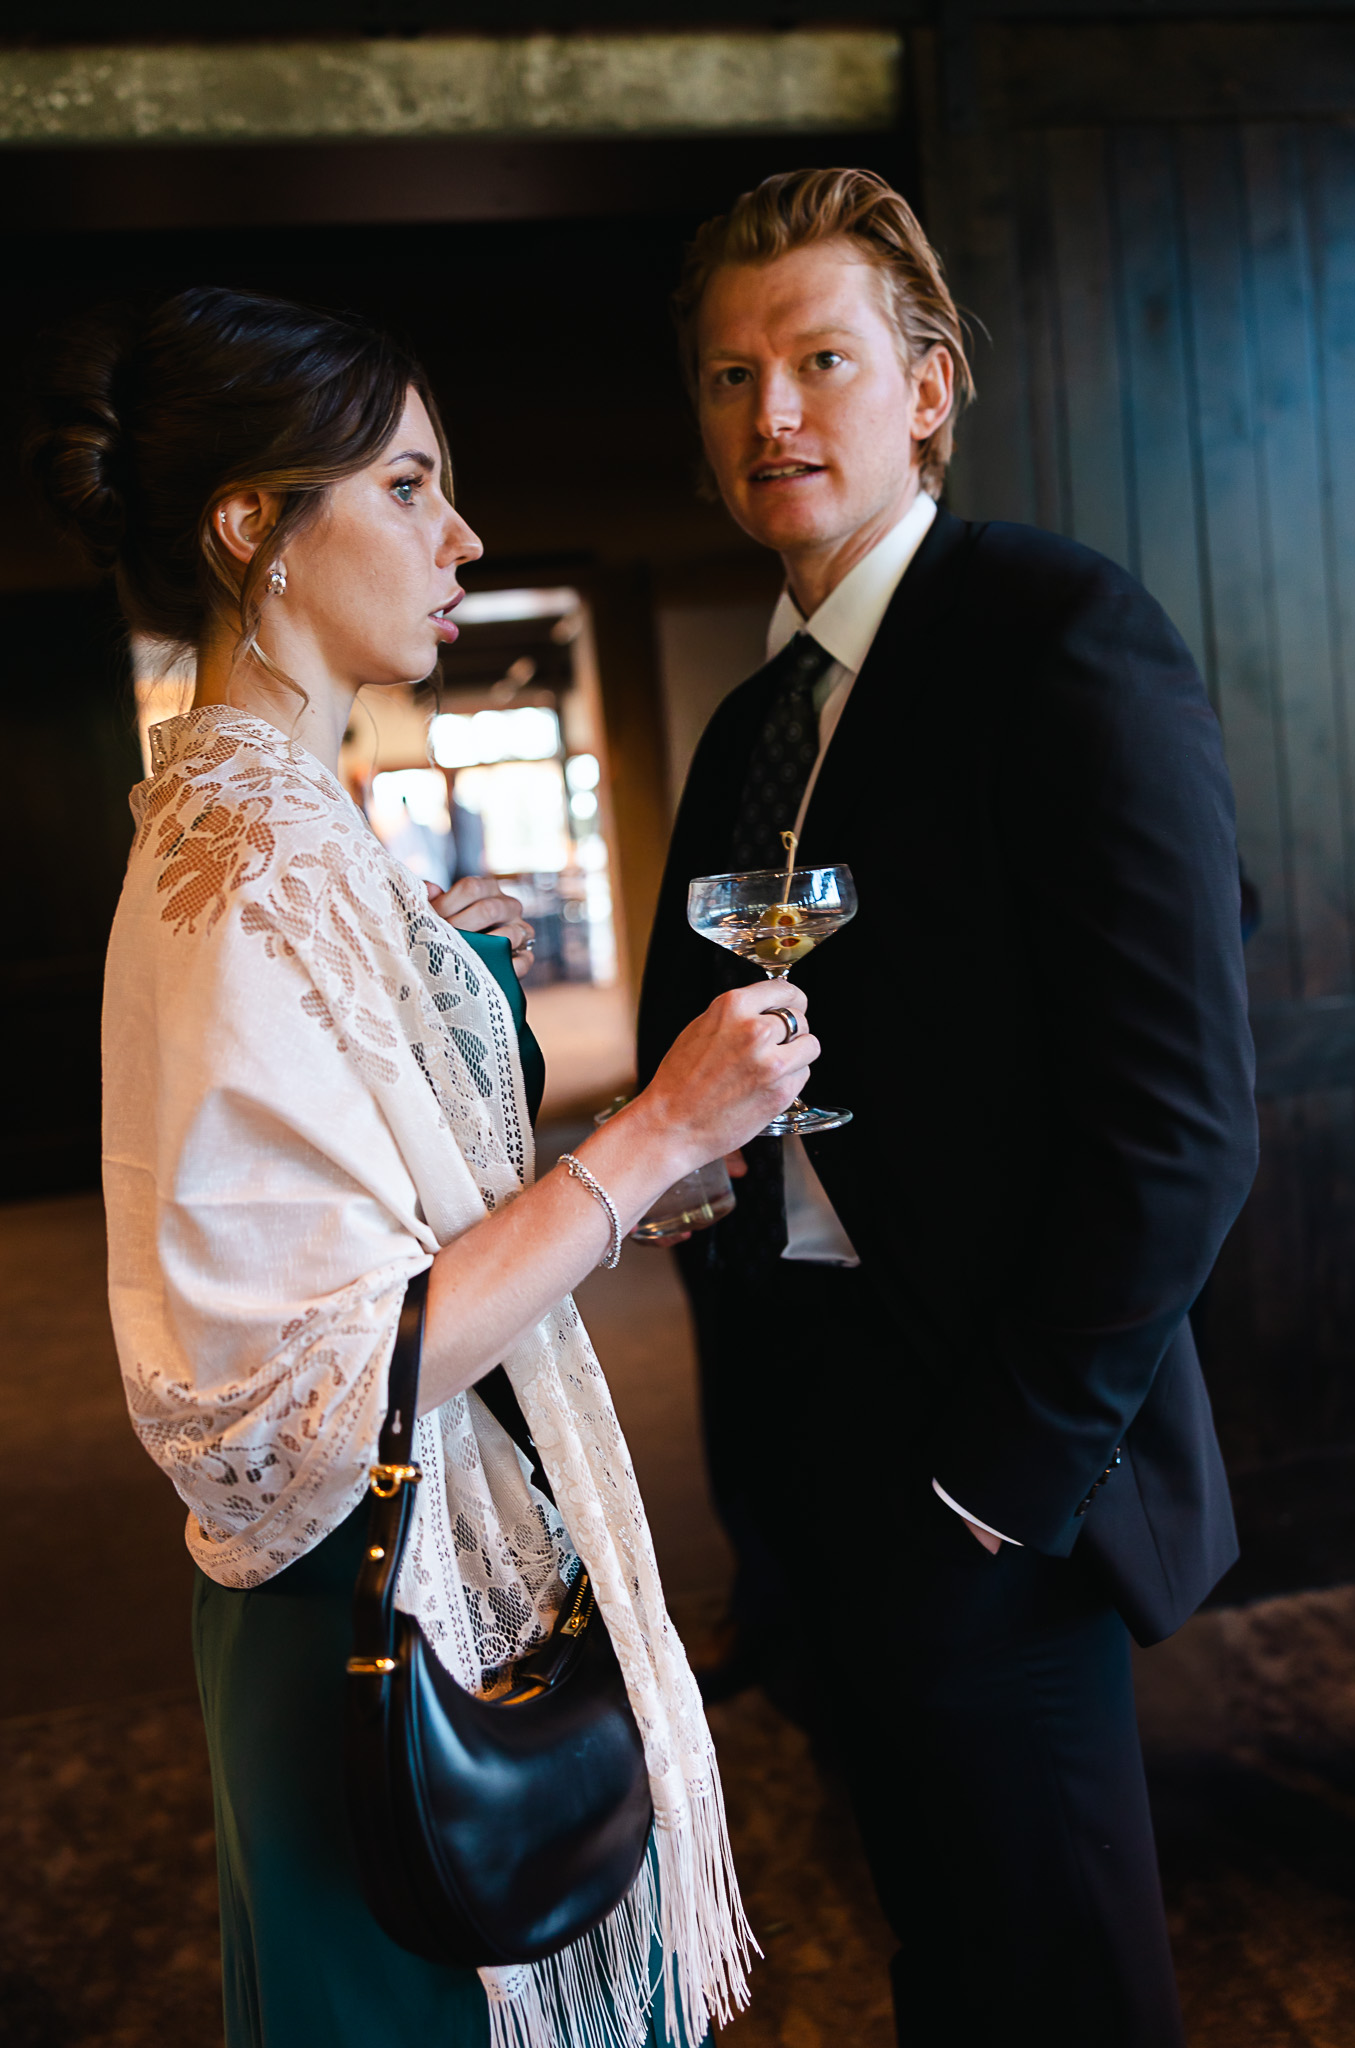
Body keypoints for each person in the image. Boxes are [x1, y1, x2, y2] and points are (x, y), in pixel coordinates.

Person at [28, 286, 810, 2048]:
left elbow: (390, 1211)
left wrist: (462, 1011)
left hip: (409, 1565)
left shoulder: (294, 821)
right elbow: (317, 1377)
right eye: (403, 485)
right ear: (256, 531)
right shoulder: (241, 864)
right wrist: (652, 1133)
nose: (458, 533)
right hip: (358, 1616)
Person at [637, 168, 1259, 2048]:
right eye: (732, 377)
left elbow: (1179, 1117)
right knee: (938, 1946)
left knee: (1059, 1973)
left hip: (994, 1444)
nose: (772, 414)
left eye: (821, 360)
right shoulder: (756, 728)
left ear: (926, 387)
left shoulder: (1055, 630)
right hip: (808, 1426)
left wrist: (1003, 1473)